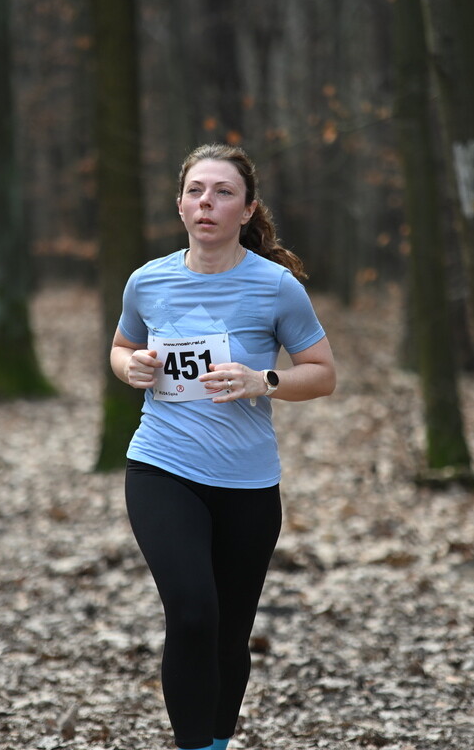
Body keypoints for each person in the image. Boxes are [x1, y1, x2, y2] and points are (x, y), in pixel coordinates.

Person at [110, 144, 336, 750]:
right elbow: (120, 347)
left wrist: (262, 380)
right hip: (162, 467)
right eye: (195, 191)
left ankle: (215, 742)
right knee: (191, 612)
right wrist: (130, 366)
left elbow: (322, 373)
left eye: (223, 192)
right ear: (180, 204)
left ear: (247, 208)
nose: (206, 202)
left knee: (229, 633)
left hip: (248, 483)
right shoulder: (148, 280)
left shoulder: (276, 287)